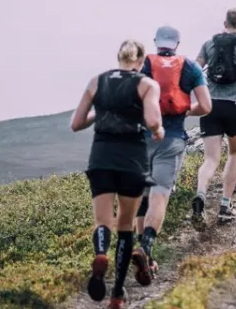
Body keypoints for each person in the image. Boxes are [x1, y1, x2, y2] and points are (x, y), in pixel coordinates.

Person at [69, 40, 163, 309]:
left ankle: (101, 253)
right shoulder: (146, 84)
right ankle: (117, 294)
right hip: (131, 159)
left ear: (118, 57)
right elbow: (154, 121)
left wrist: (99, 115)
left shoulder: (96, 81)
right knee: (125, 228)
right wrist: (158, 132)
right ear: (141, 60)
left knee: (102, 221)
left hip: (101, 157)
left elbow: (76, 124)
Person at [131, 25, 211, 286]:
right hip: (173, 137)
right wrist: (186, 110)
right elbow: (206, 106)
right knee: (160, 195)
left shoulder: (143, 65)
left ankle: (142, 252)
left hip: (143, 138)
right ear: (177, 43)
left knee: (142, 196)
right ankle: (147, 247)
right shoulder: (190, 67)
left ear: (156, 42)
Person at [193, 8, 236, 224]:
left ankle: (201, 194)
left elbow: (195, 69)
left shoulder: (209, 44)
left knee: (210, 159)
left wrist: (199, 95)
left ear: (225, 22)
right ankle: (225, 205)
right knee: (234, 154)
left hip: (210, 105)